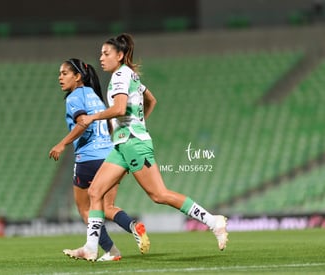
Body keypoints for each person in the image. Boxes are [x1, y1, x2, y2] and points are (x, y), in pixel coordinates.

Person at [63, 34, 229, 262]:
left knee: (159, 194)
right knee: (95, 192)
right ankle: (91, 247)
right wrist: (140, 124)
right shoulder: (127, 75)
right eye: (101, 53)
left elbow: (120, 109)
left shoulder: (121, 75)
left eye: (106, 53)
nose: (101, 57)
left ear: (119, 56)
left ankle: (213, 221)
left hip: (133, 144)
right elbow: (151, 100)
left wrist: (94, 117)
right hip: (122, 145)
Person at [48, 58, 150, 262]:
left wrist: (62, 144)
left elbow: (82, 123)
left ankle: (111, 250)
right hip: (110, 155)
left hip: (87, 158)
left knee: (86, 209)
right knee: (108, 207)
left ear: (77, 77)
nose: (60, 77)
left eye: (65, 73)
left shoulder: (73, 98)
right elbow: (111, 125)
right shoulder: (95, 95)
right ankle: (132, 226)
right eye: (59, 74)